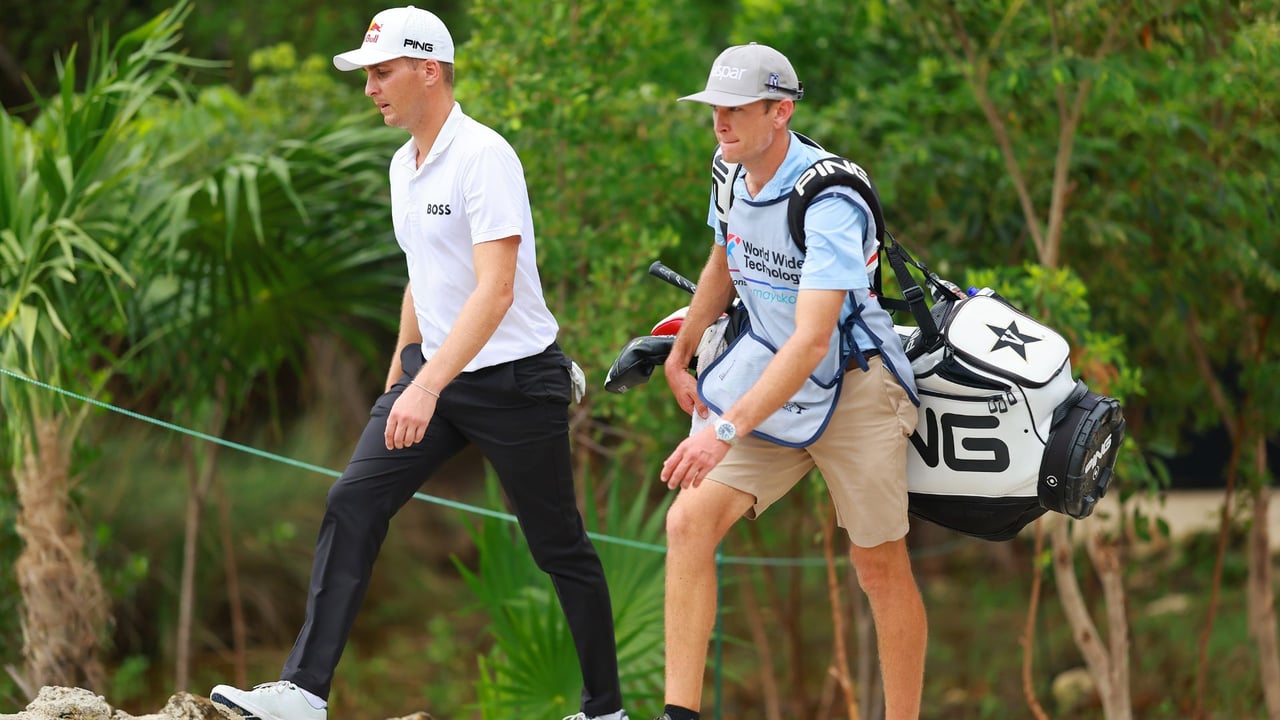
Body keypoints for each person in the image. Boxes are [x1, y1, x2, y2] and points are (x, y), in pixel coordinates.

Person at [209, 7, 628, 720]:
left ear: (428, 70)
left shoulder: (484, 156)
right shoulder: (402, 164)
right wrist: (402, 374)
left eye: (382, 72)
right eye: (367, 74)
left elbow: (496, 291)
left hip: (517, 382)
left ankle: (605, 711)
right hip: (434, 377)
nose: (370, 87)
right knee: (353, 501)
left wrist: (425, 385)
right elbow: (423, 275)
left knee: (557, 545)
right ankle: (305, 692)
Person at [654, 43, 927, 720]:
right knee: (688, 523)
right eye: (714, 108)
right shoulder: (729, 169)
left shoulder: (829, 197)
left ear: (781, 111)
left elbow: (812, 340)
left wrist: (723, 429)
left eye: (737, 108)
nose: (720, 122)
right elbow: (725, 257)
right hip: (767, 379)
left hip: (855, 385)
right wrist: (680, 353)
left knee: (878, 566)